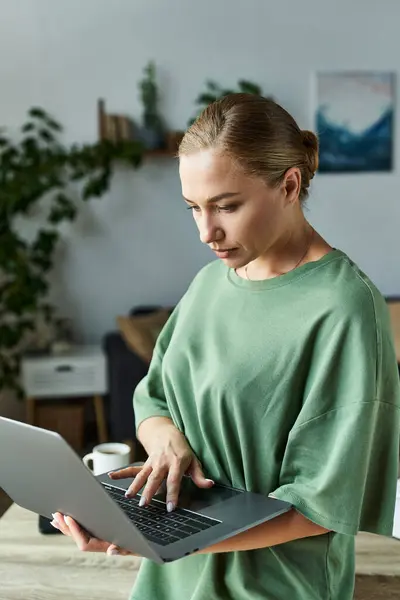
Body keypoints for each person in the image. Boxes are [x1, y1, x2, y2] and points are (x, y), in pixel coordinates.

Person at [52, 93, 400, 600]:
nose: (206, 232)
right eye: (194, 208)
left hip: (273, 587)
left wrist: (171, 538)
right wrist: (166, 442)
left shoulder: (345, 308)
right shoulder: (209, 285)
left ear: (289, 185)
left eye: (227, 206)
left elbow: (319, 505)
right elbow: (154, 397)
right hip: (170, 579)